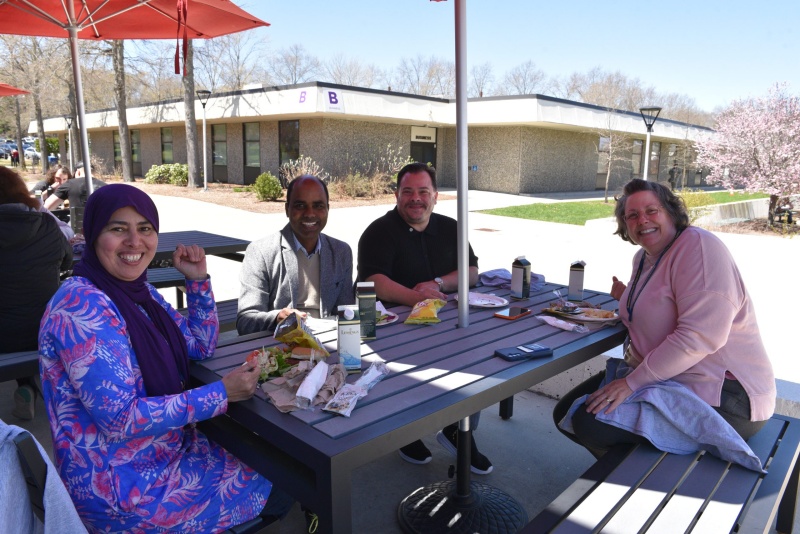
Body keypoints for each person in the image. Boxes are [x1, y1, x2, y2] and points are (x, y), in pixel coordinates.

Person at [38, 184, 294, 532]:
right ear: (95, 234)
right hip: (125, 492)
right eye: (118, 229)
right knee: (284, 479)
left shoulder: (140, 293)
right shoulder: (81, 307)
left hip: (163, 451)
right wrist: (222, 394)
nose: (134, 241)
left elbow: (200, 345)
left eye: (145, 229)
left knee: (274, 456)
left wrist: (197, 281)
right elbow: (119, 420)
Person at [553, 178, 776, 459]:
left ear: (671, 212)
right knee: (568, 411)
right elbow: (657, 308)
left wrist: (632, 383)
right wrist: (625, 300)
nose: (641, 220)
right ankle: (636, 473)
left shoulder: (699, 247)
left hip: (728, 396)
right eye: (631, 215)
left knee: (589, 423)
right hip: (670, 380)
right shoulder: (644, 257)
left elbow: (700, 335)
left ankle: (644, 484)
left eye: (651, 210)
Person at [356, 162, 492, 475]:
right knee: (409, 377)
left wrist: (438, 284)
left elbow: (471, 273)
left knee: (478, 359)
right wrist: (417, 297)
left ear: (435, 196)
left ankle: (459, 430)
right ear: (396, 195)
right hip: (392, 329)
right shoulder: (378, 231)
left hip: (445, 322)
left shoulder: (451, 228)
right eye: (408, 191)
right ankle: (406, 430)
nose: (415, 198)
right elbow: (373, 281)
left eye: (423, 192)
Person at [237, 174, 354, 334]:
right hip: (279, 347)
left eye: (318, 205)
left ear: (328, 208)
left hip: (329, 344)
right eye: (300, 205)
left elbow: (346, 313)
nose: (310, 213)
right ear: (287, 209)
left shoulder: (341, 252)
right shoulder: (260, 252)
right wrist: (277, 317)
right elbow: (246, 321)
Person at [0, 167, 72, 421]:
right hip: (45, 330)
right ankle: (27, 385)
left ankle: (26, 386)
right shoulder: (47, 225)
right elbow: (67, 263)